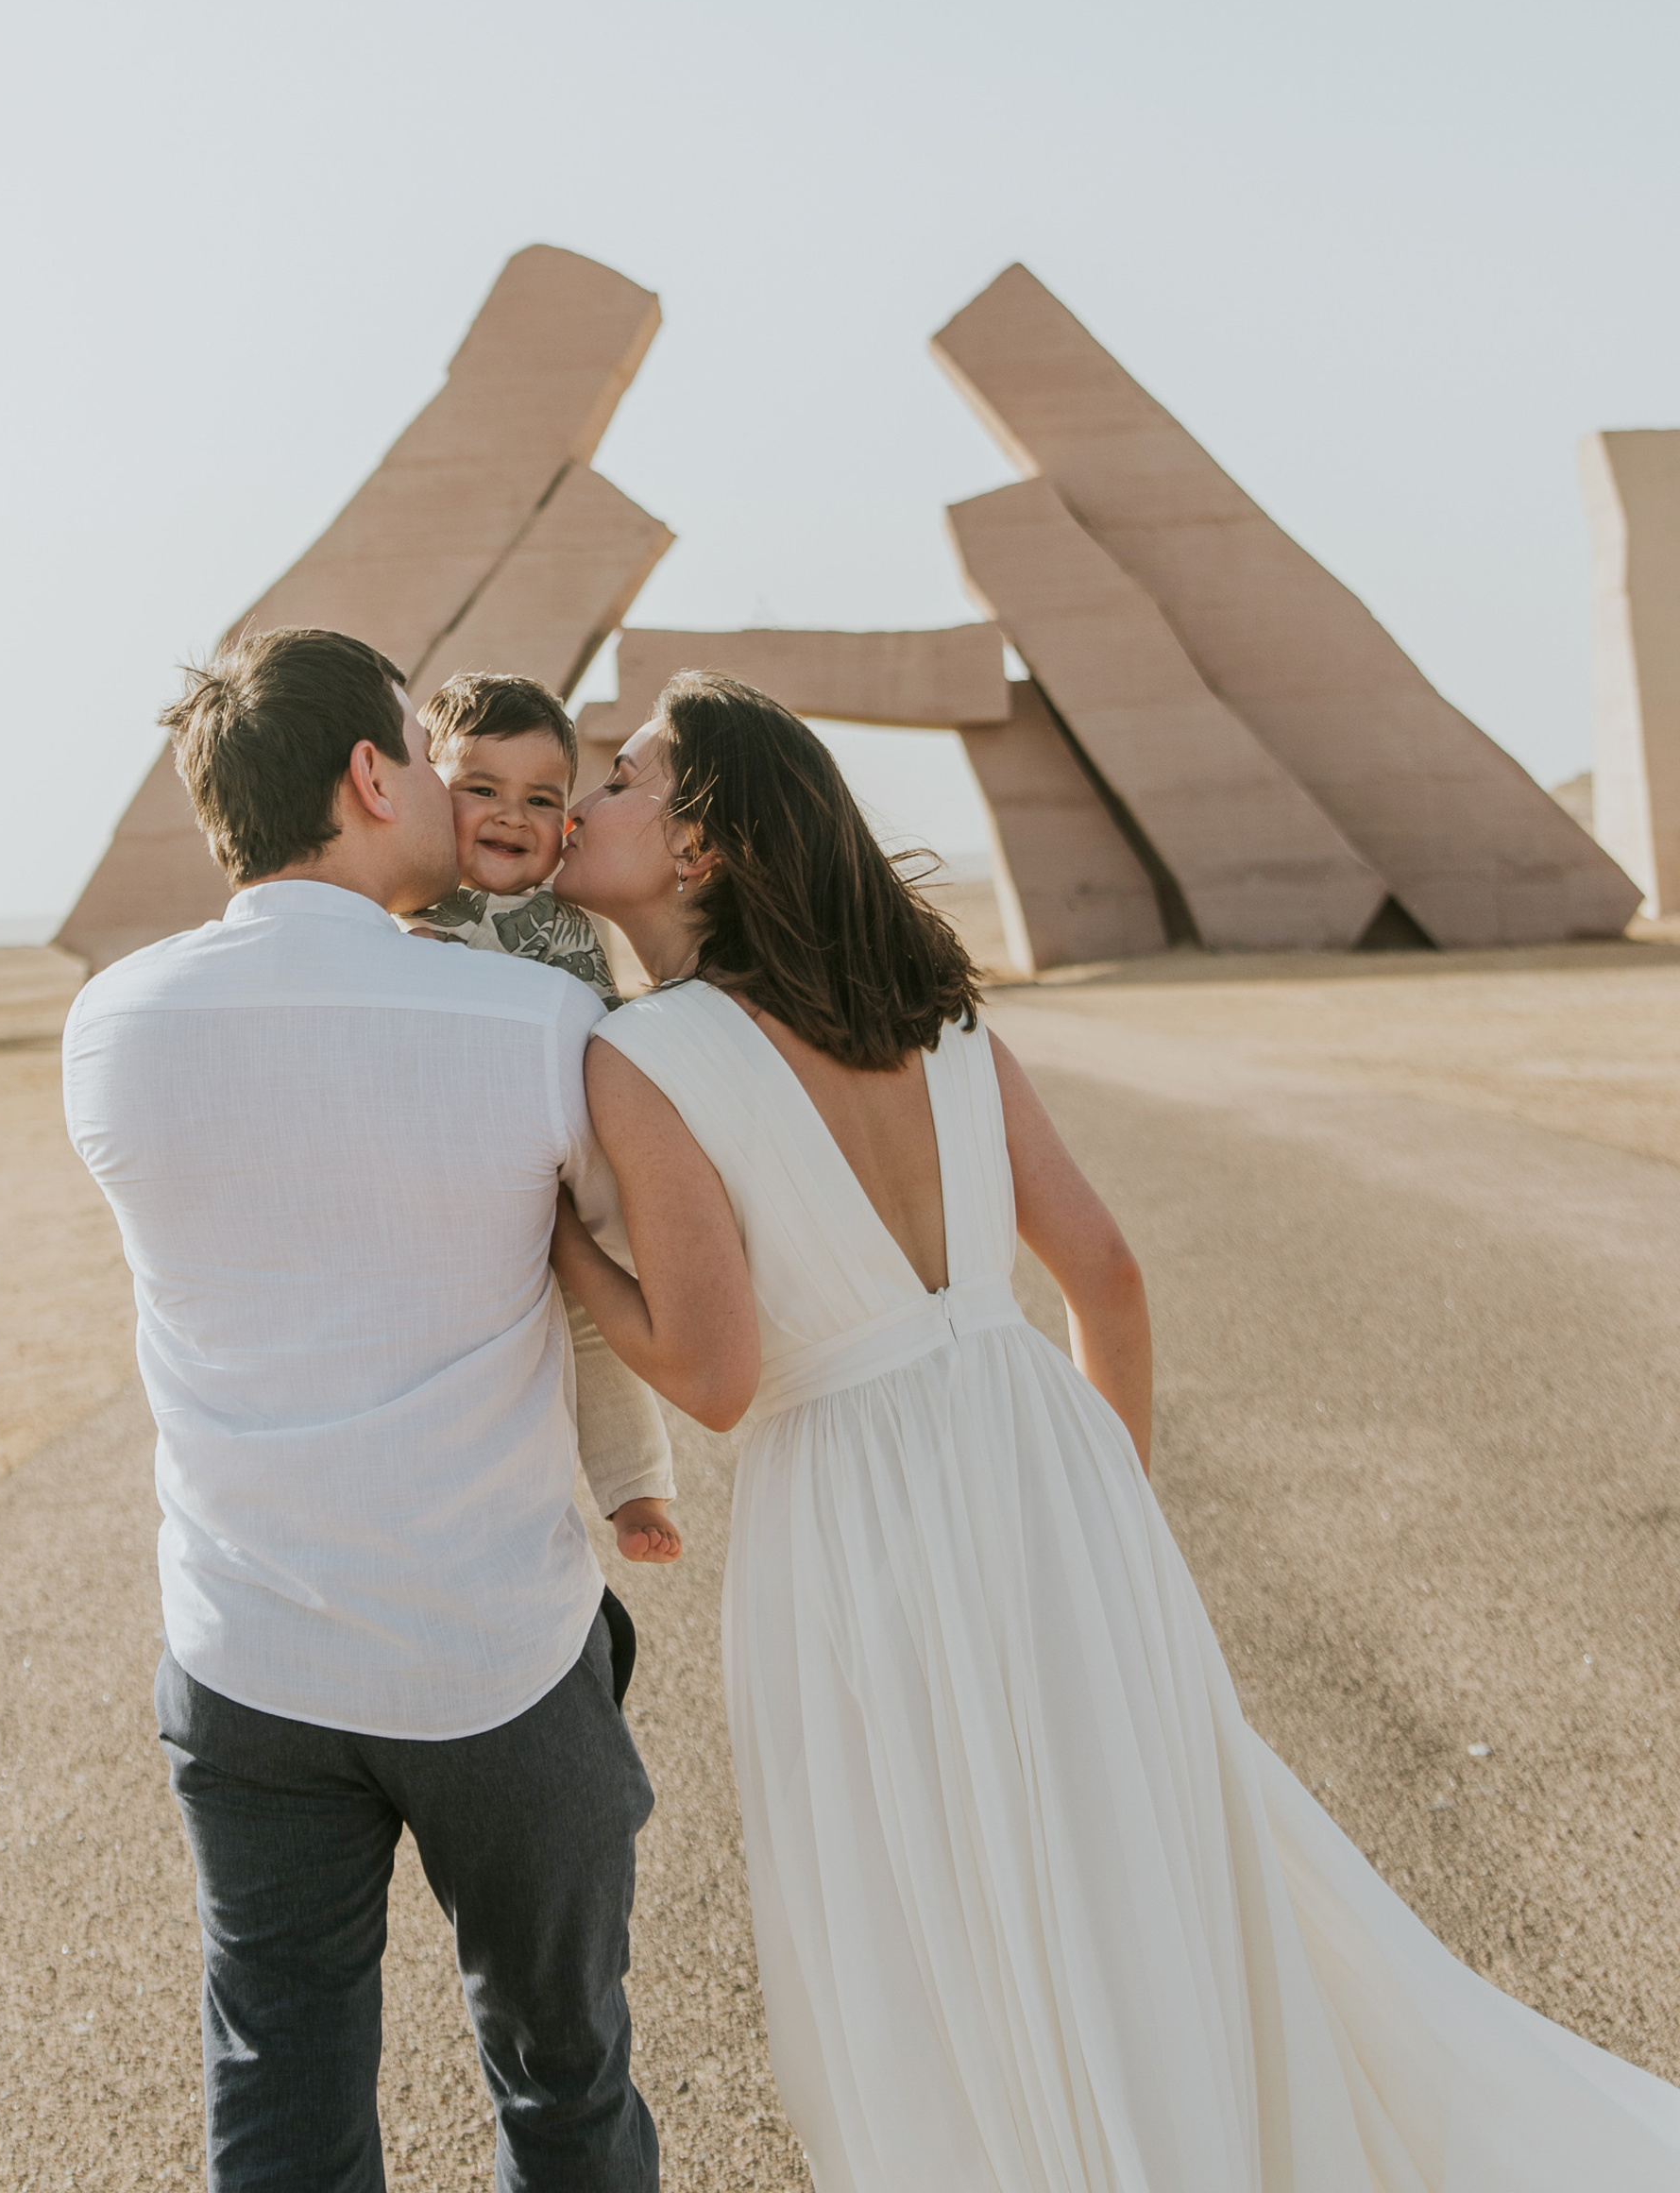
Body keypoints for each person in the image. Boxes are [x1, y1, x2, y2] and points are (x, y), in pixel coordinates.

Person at [547, 669, 1680, 2191]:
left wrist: (564, 1252)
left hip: (859, 1506)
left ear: (704, 846)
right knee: (1129, 1864)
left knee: (934, 1896)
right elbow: (1110, 1282)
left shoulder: (646, 1056)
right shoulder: (939, 1024)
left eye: (622, 775)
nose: (582, 795)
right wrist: (1106, 1511)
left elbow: (717, 1372)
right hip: (1050, 1468)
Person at [63, 626, 658, 2191]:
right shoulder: (537, 1029)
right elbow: (646, 1261)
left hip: (246, 1655)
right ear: (371, 772)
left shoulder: (109, 1028)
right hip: (499, 1658)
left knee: (280, 2097)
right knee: (564, 2084)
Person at [402, 667, 680, 1567]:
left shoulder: (572, 912)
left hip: (569, 1155)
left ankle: (636, 1488)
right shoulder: (414, 910)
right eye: (479, 790)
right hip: (470, 1167)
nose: (511, 816)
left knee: (597, 1325)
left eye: (540, 798)